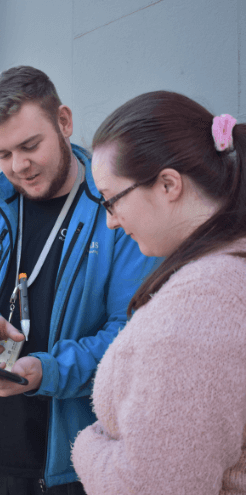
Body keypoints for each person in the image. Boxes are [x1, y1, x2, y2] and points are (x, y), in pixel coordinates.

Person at [0, 66, 159, 495]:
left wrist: (47, 372)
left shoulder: (115, 209)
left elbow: (131, 337)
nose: (18, 166)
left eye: (30, 146)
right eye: (2, 154)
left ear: (63, 121)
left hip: (67, 470)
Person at [72, 90, 246, 494]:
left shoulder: (202, 306)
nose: (111, 222)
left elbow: (154, 487)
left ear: (168, 184)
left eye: (111, 201)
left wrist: (85, 446)